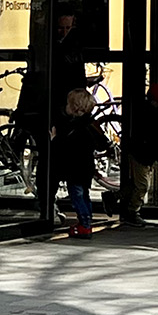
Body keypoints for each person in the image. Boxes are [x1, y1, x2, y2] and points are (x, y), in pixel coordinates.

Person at [51, 88, 104, 238]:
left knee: (77, 197)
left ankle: (84, 224)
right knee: (84, 196)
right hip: (86, 168)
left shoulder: (76, 127)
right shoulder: (89, 125)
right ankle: (86, 222)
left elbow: (67, 146)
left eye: (68, 104)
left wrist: (54, 139)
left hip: (75, 169)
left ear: (74, 108)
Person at [123, 80, 158, 228]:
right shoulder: (153, 115)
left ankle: (114, 198)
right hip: (143, 155)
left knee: (137, 184)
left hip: (145, 154)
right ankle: (132, 212)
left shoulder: (152, 112)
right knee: (143, 185)